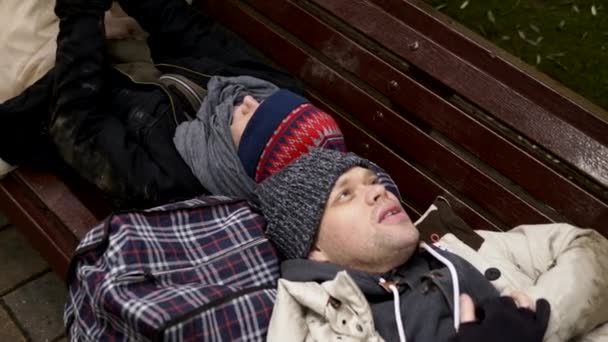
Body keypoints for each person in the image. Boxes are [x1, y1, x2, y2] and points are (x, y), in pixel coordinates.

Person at [0, 0, 345, 207]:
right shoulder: (268, 92)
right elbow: (188, 31)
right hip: (110, 57)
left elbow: (72, 120)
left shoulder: (169, 180)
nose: (247, 100)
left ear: (239, 158)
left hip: (44, 95)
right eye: (272, 103)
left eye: (254, 117)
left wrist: (81, 11)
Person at [253, 149, 608, 342]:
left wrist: (539, 324)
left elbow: (592, 251)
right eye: (345, 194)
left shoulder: (461, 244)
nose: (379, 190)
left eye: (373, 181)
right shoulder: (315, 328)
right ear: (315, 248)